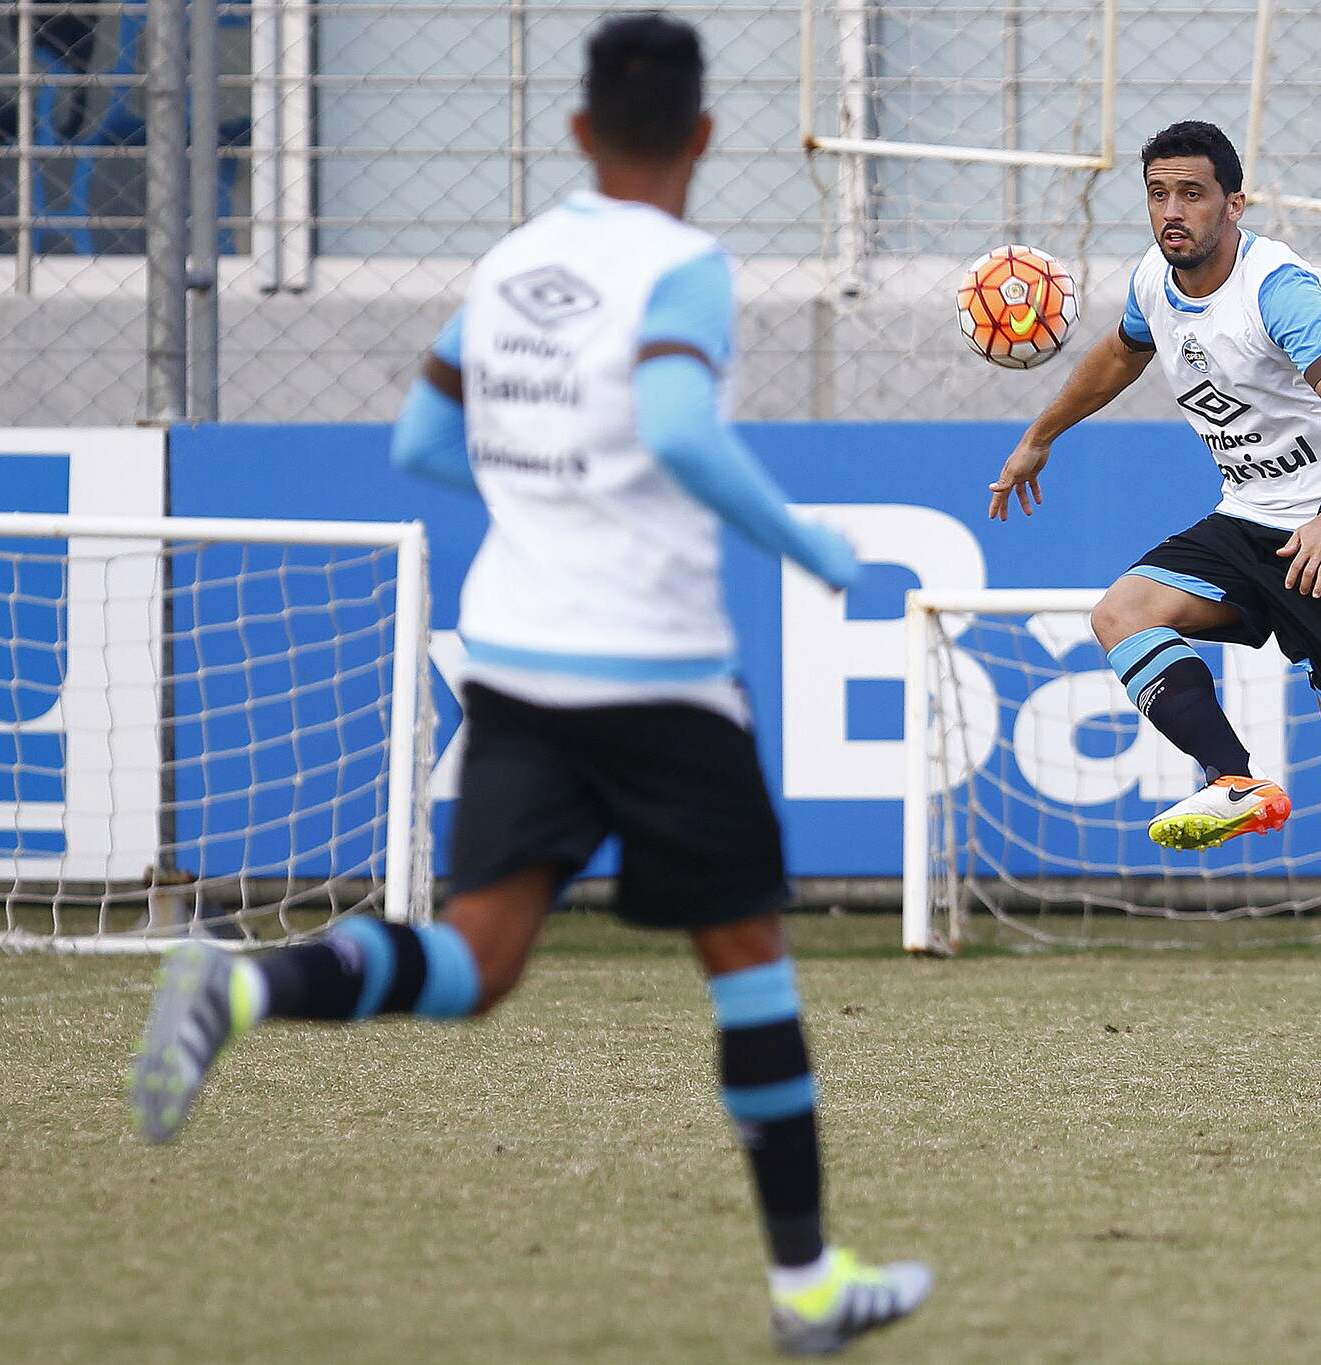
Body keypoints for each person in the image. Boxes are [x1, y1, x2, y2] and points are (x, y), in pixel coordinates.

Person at [129, 15, 932, 1355]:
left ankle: (245, 988)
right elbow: (676, 425)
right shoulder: (685, 265)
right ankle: (805, 1282)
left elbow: (420, 439)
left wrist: (542, 489)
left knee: (478, 961)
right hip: (657, 673)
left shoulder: (510, 262)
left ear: (574, 131)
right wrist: (811, 545)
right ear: (707, 137)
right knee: (748, 962)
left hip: (515, 659)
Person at [987, 120, 1321, 1058]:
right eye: (1158, 193)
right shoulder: (1154, 281)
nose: (1172, 212)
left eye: (1192, 193)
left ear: (1235, 202)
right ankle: (1233, 779)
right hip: (1250, 517)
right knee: (1122, 611)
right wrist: (1044, 432)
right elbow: (1123, 350)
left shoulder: (1277, 291)